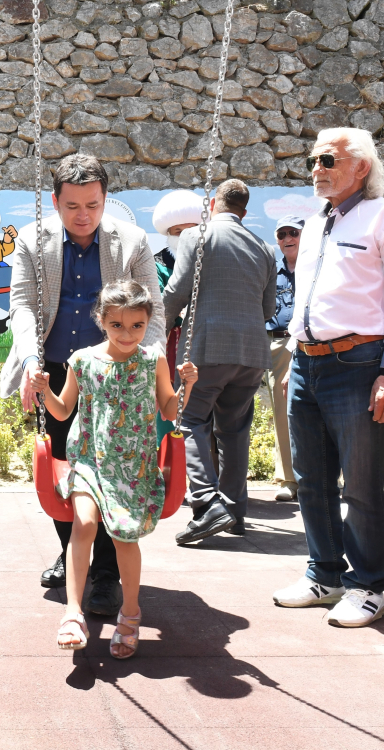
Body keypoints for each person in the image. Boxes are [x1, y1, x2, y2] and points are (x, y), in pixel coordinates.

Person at [1, 153, 166, 617]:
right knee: (63, 470)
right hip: (56, 368)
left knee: (115, 472)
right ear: (55, 202)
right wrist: (30, 363)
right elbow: (22, 304)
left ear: (105, 199)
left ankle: (107, 575)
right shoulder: (32, 239)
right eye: (72, 206)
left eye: (92, 205)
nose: (83, 215)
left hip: (116, 374)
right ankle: (70, 549)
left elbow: (153, 311)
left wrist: (148, 366)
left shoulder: (131, 241)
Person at [38, 280, 197, 656]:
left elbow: (169, 409)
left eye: (137, 326)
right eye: (117, 325)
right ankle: (73, 612)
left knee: (125, 537)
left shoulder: (153, 359)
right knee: (84, 524)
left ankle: (130, 613)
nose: (127, 334)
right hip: (89, 460)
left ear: (148, 322)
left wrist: (185, 386)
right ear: (102, 321)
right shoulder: (82, 360)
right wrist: (44, 390)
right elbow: (62, 410)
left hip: (133, 467)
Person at [272, 127, 384, 627]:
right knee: (311, 479)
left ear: (361, 166)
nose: (316, 168)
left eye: (328, 160)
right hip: (306, 363)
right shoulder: (315, 223)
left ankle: (369, 585)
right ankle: (325, 575)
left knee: (363, 484)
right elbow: (308, 296)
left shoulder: (379, 215)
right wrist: (295, 354)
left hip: (359, 363)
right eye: (313, 161)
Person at [164, 180, 276, 544]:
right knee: (235, 431)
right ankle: (235, 513)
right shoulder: (264, 248)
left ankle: (206, 502)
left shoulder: (196, 235)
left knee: (190, 420)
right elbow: (268, 309)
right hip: (251, 354)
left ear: (213, 204)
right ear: (244, 211)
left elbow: (177, 292)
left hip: (206, 349)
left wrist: (154, 333)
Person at [151, 189, 203, 442]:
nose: (185, 237)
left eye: (191, 230)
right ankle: (165, 456)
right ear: (168, 234)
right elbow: (159, 303)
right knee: (168, 399)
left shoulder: (209, 259)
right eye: (178, 231)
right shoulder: (156, 264)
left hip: (204, 340)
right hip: (170, 341)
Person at [266, 216, 303, 502]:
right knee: (281, 412)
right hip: (271, 343)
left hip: (305, 343)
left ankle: (322, 476)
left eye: (294, 233)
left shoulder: (314, 268)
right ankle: (289, 479)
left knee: (313, 412)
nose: (288, 238)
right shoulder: (270, 271)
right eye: (282, 234)